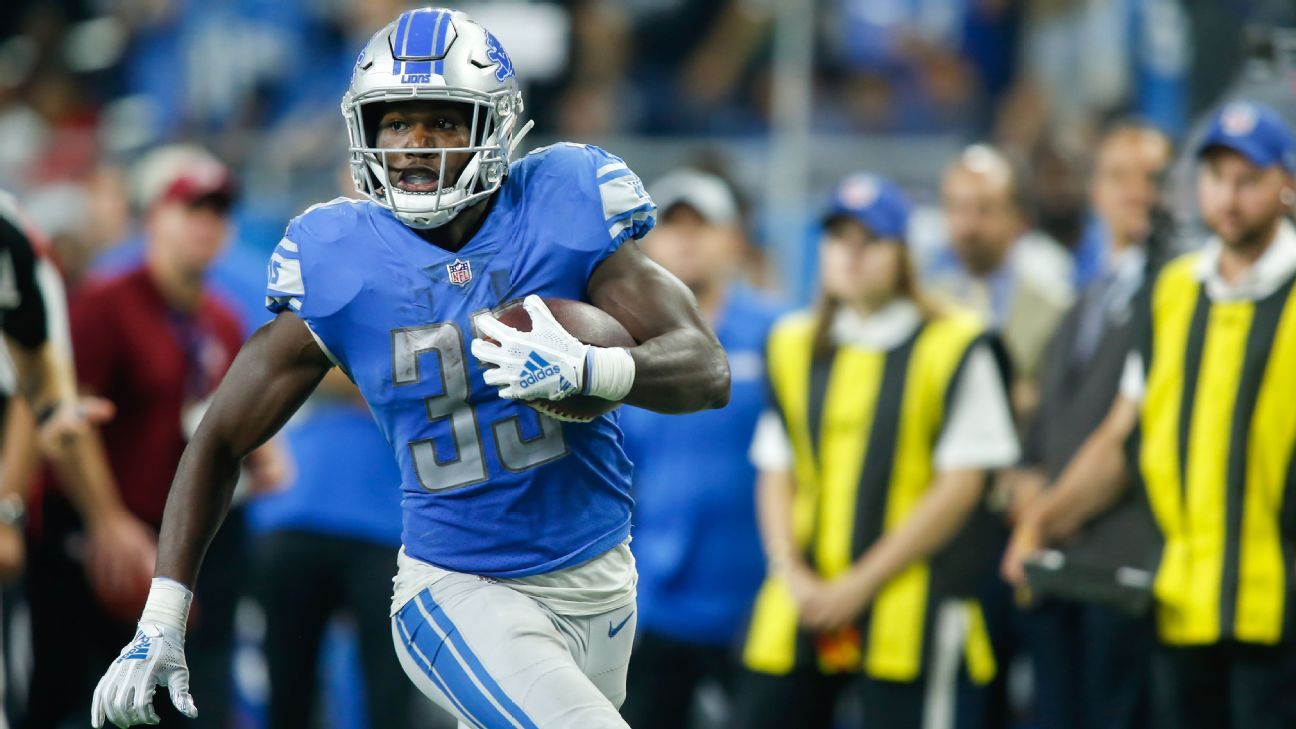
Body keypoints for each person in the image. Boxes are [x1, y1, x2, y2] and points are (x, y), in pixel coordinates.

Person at [90, 8, 729, 729]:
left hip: (601, 576)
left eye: (443, 122)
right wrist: (163, 615)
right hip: (457, 588)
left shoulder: (564, 203)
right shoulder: (343, 258)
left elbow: (707, 370)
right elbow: (218, 438)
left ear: (495, 125)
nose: (414, 145)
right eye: (395, 123)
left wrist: (592, 370)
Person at [1004, 100, 1296, 729]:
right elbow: (1125, 433)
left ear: (1287, 186)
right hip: (1178, 603)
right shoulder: (1173, 291)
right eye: (1217, 177)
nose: (1230, 197)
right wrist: (1041, 522)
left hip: (1283, 611)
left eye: (1249, 179)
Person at [732, 174, 1018, 729]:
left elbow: (962, 486)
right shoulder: (793, 343)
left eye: (871, 241)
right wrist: (789, 569)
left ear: (904, 253)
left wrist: (860, 583)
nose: (852, 255)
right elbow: (776, 469)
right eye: (839, 239)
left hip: (911, 600)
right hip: (802, 593)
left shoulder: (955, 342)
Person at [26, 146, 285, 729]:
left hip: (182, 536)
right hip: (102, 535)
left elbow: (217, 416)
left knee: (194, 700)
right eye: (191, 208)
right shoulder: (106, 304)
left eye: (217, 212)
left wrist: (264, 451)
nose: (206, 224)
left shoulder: (220, 317)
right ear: (152, 218)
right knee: (85, 699)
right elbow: (65, 421)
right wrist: (107, 521)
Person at [1007, 122, 1173, 729]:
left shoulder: (1178, 295)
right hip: (1055, 568)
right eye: (1118, 176)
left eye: (1153, 178)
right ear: (1095, 191)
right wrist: (1031, 519)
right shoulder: (1081, 301)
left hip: (1122, 569)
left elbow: (1128, 442)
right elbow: (1039, 439)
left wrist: (1037, 524)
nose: (1136, 191)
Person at [617, 169, 783, 729]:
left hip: (757, 593)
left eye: (703, 226)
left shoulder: (782, 333)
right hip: (652, 595)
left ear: (735, 239)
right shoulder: (617, 338)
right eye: (673, 225)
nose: (687, 240)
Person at [248, 366, 416, 729]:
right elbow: (285, 370)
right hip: (295, 519)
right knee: (288, 688)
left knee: (391, 691)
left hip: (383, 532)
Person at [924, 143, 1074, 419]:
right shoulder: (927, 304)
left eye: (984, 209)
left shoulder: (1056, 306)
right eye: (957, 207)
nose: (968, 226)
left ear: (1018, 218)